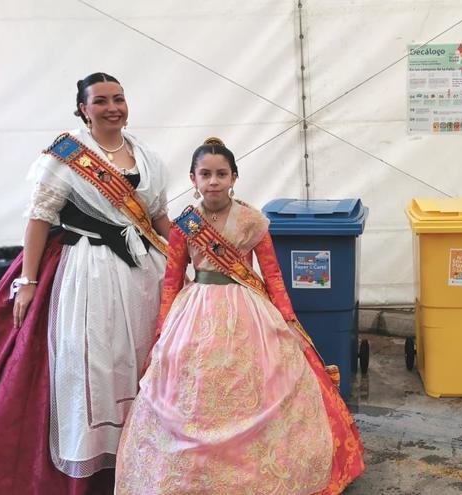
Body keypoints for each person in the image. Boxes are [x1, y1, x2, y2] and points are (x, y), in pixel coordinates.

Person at [0, 72, 171, 494]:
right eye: (101, 100)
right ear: (83, 109)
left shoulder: (145, 155)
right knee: (91, 360)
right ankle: (91, 468)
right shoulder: (65, 155)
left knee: (140, 359)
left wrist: (187, 253)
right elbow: (39, 218)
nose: (113, 107)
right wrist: (28, 280)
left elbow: (158, 217)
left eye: (119, 98)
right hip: (82, 272)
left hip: (142, 271)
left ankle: (139, 452)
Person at [114, 138, 365, 494]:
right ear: (192, 178)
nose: (213, 181)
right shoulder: (185, 225)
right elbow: (171, 279)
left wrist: (289, 319)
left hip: (247, 314)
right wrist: (162, 328)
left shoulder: (252, 220)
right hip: (195, 311)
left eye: (221, 173)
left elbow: (273, 275)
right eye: (205, 174)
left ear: (234, 177)